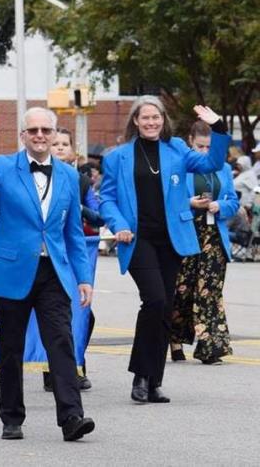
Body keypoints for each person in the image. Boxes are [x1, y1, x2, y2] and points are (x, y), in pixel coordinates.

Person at [0, 109, 95, 442]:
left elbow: (73, 233)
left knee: (61, 343)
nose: (39, 135)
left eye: (45, 130)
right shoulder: (5, 167)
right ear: (23, 135)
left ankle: (71, 417)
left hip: (53, 272)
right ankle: (11, 417)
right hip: (13, 269)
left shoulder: (68, 174)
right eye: (32, 129)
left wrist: (83, 277)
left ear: (53, 134)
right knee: (11, 347)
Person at [99, 97, 229, 404]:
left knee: (164, 308)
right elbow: (107, 198)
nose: (151, 122)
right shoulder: (117, 157)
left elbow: (213, 163)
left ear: (163, 119)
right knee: (155, 301)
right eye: (145, 118)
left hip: (172, 240)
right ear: (135, 121)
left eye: (155, 117)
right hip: (137, 239)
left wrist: (218, 127)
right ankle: (141, 376)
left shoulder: (178, 150)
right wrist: (118, 224)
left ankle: (154, 380)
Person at [169, 121, 239, 364]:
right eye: (200, 146)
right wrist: (189, 202)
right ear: (190, 141)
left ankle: (211, 348)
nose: (205, 151)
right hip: (186, 233)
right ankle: (174, 339)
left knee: (210, 292)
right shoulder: (181, 167)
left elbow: (234, 202)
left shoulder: (224, 169)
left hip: (214, 237)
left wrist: (220, 205)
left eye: (209, 147)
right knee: (182, 290)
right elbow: (169, 199)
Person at [42, 127, 102, 392]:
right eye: (55, 144)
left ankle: (77, 365)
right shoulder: (35, 177)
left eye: (64, 144)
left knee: (83, 315)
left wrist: (78, 207)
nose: (59, 148)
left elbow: (98, 217)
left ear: (72, 151)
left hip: (71, 252)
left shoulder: (80, 181)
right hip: (44, 255)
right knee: (49, 315)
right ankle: (49, 370)